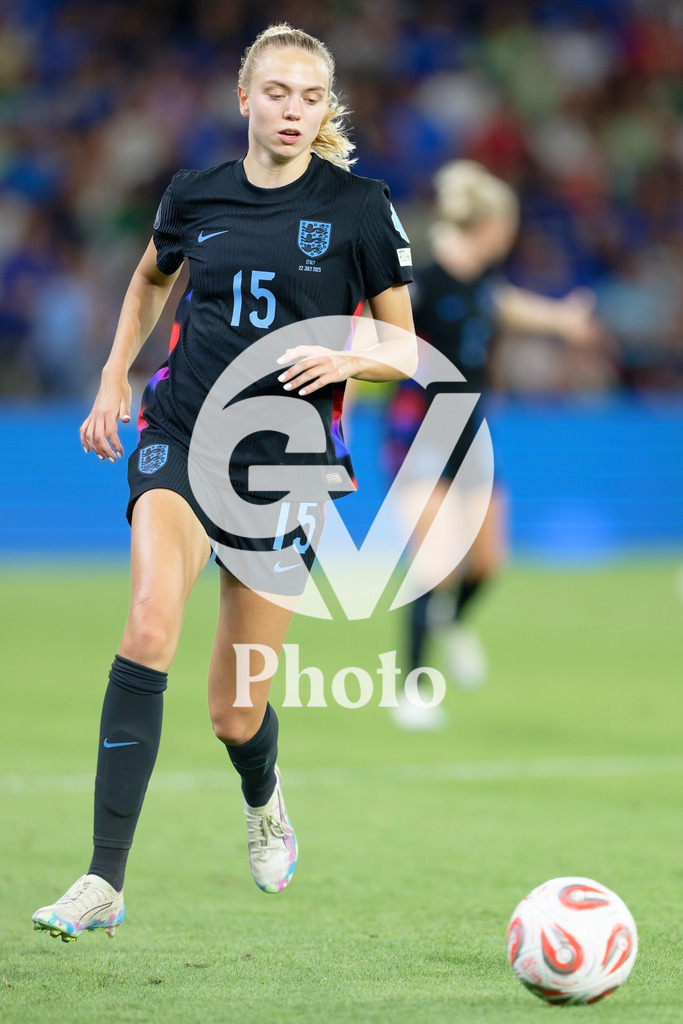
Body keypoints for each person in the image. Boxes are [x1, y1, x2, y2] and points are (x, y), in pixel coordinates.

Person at [32, 23, 416, 941]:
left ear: (327, 109)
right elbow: (146, 282)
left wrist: (343, 358)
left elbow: (404, 347)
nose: (293, 110)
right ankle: (103, 880)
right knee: (148, 623)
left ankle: (263, 796)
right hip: (179, 434)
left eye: (311, 96)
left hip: (282, 466)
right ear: (243, 99)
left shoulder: (361, 207)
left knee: (233, 711)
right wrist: (113, 374)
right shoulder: (194, 194)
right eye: (276, 92)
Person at [386, 160, 599, 729]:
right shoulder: (424, 280)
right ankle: (411, 691)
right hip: (421, 428)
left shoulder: (482, 281)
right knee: (433, 562)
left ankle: (450, 621)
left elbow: (507, 305)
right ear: (489, 225)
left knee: (486, 559)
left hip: (473, 429)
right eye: (507, 225)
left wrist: (559, 321)